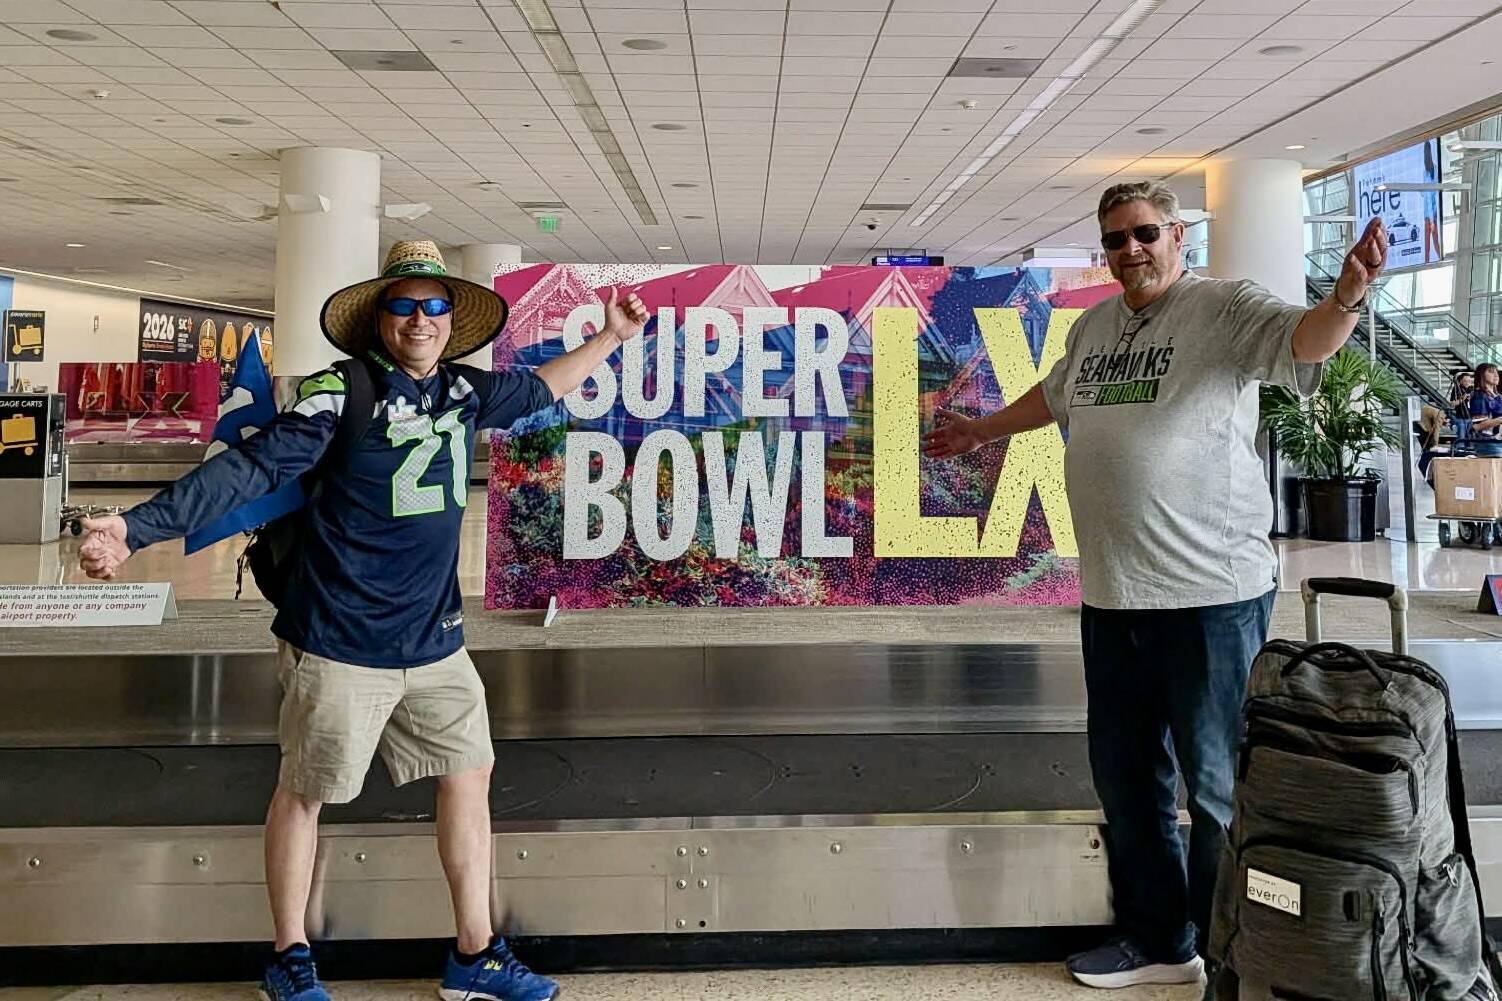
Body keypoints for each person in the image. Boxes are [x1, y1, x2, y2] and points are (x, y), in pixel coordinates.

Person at [78, 241, 649, 1001]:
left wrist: (610, 338)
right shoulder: (339, 389)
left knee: (469, 775)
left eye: (434, 305)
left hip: (436, 640)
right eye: (404, 305)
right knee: (306, 791)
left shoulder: (463, 392)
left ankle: (474, 955)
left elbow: (541, 387)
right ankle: (289, 956)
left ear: (453, 319)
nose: (420, 319)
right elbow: (253, 465)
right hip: (341, 638)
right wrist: (136, 527)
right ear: (380, 318)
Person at [923, 181, 1386, 992]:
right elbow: (1057, 393)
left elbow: (1305, 343)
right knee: (1129, 777)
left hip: (1210, 594)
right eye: (1113, 239)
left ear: (1178, 235)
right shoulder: (1097, 326)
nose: (1128, 250)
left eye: (1143, 233)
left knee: (1215, 786)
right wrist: (979, 431)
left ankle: (1230, 948)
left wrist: (1346, 297)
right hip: (1114, 593)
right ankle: (1157, 938)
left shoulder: (1223, 307)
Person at [1469, 362, 1502, 456]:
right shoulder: (1480, 396)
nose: (1496, 375)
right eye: (1491, 372)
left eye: (1496, 372)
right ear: (1481, 375)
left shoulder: (1498, 396)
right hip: (1488, 443)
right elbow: (1477, 426)